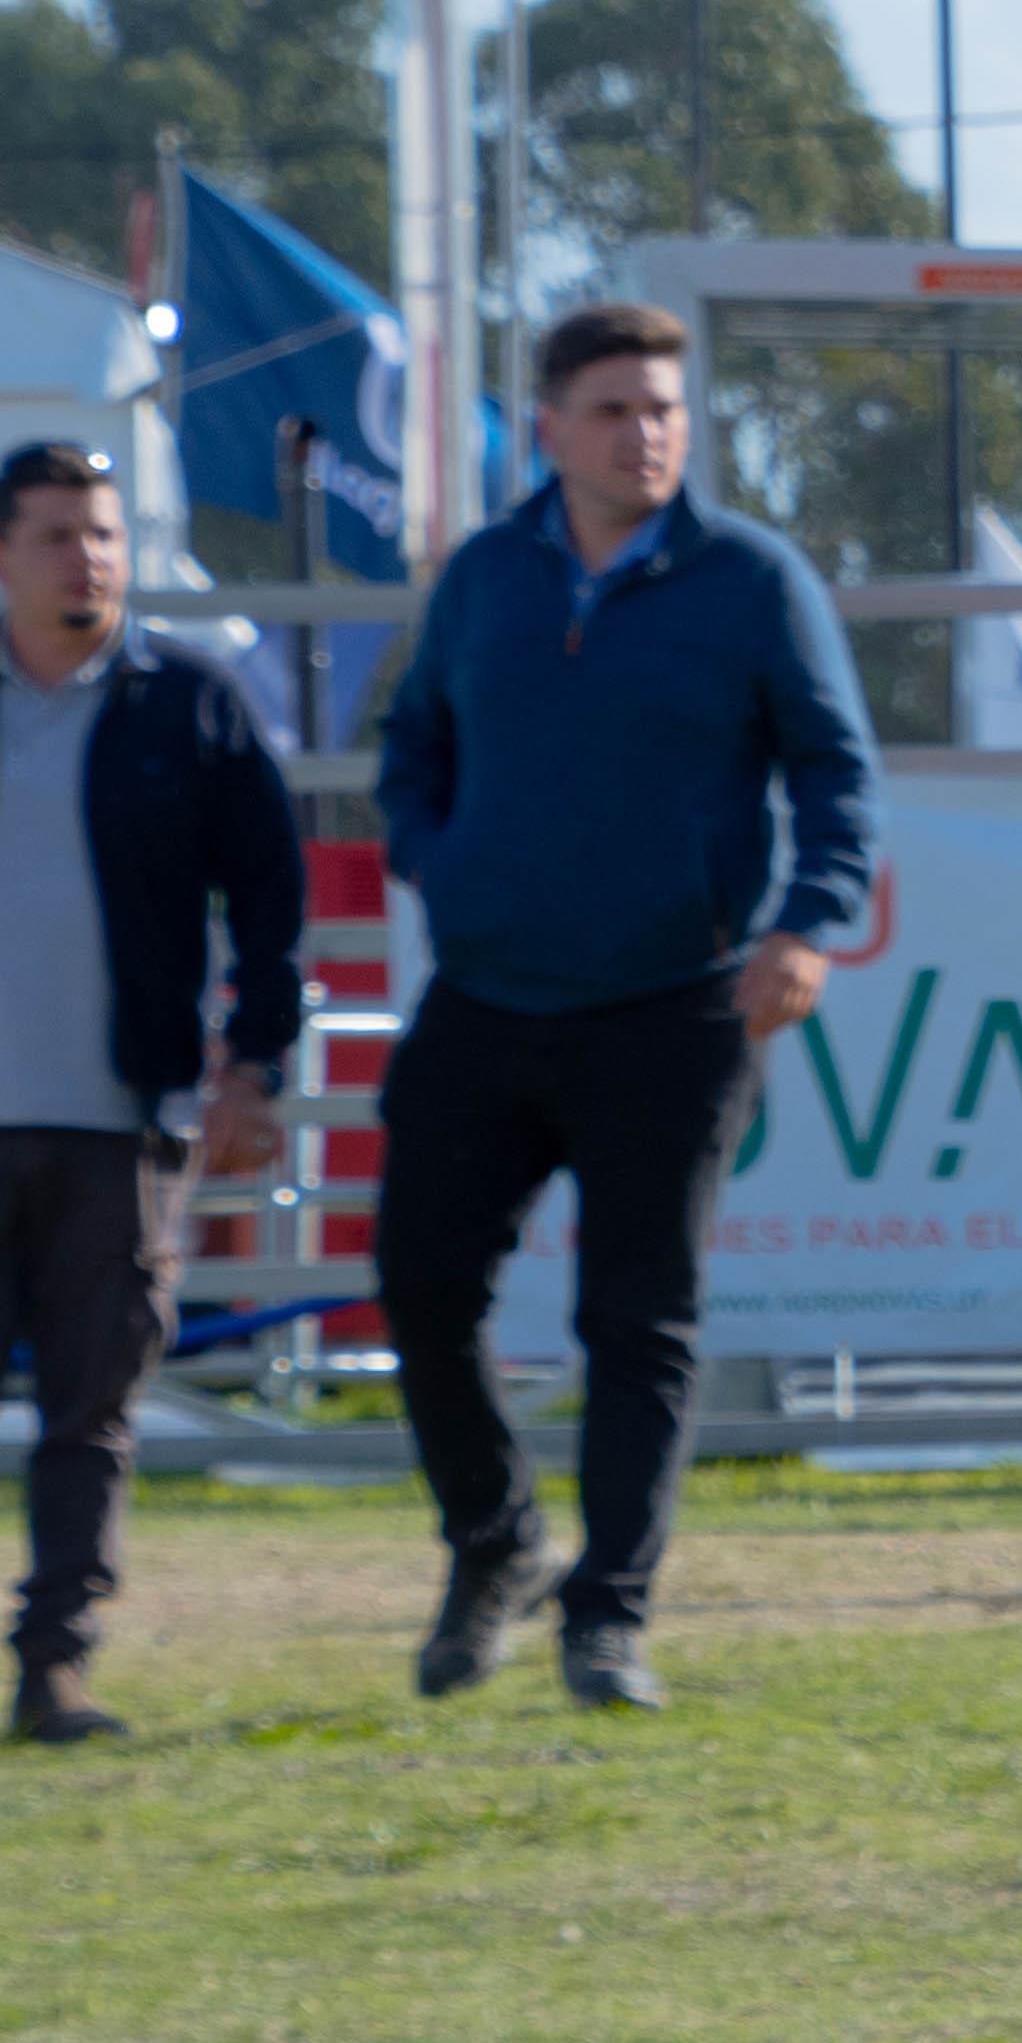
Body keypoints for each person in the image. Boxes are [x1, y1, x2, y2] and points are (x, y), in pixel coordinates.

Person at [373, 304, 877, 1713]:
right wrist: (443, 864)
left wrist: (803, 925)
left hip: (676, 1005)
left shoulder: (753, 580)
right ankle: (494, 1543)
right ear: (546, 426)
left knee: (639, 1318)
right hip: (485, 994)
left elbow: (837, 775)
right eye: (612, 408)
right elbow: (412, 751)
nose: (645, 431)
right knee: (418, 1284)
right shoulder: (483, 578)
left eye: (663, 407)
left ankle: (610, 1618)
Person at [0, 443, 304, 1745]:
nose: (86, 558)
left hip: (125, 1124)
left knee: (90, 1417)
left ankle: (56, 1659)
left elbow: (270, 899)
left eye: (102, 534)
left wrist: (255, 1062)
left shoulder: (193, 705)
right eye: (55, 535)